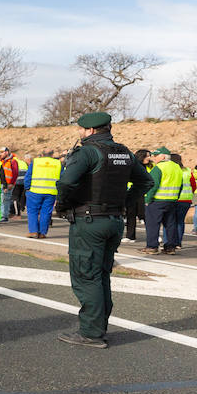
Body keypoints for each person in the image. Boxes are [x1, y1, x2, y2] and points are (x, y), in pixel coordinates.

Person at [55, 111, 152, 348]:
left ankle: (91, 333)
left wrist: (63, 205)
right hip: (113, 220)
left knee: (87, 276)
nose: (79, 133)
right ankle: (98, 327)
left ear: (89, 130)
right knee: (101, 275)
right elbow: (146, 182)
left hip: (89, 222)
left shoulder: (87, 151)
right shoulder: (123, 152)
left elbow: (67, 182)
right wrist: (124, 204)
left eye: (80, 129)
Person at [24, 149, 61, 239]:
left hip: (35, 191)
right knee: (46, 213)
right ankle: (42, 233)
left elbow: (28, 175)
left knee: (33, 211)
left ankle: (33, 232)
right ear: (52, 155)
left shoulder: (36, 162)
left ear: (42, 154)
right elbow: (62, 178)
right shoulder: (58, 163)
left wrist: (27, 187)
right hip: (51, 192)